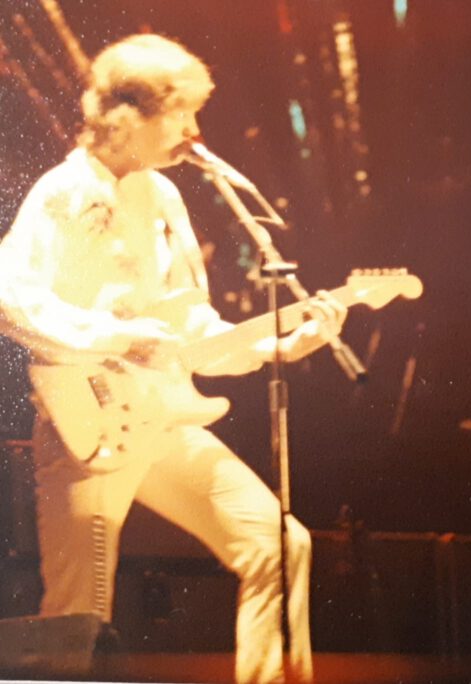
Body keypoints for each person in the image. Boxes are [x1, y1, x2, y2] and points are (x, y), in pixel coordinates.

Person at [0, 34, 346, 683]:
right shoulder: (62, 192)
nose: (192, 131)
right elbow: (10, 298)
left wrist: (280, 343)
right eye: (179, 114)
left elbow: (193, 326)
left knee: (279, 542)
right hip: (90, 430)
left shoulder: (163, 197)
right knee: (77, 615)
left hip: (163, 419)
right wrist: (112, 336)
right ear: (129, 119)